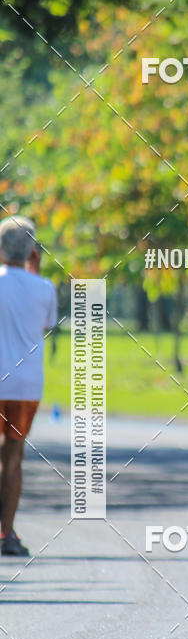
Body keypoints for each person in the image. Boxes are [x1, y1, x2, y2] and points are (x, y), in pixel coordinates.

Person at [0, 215, 58, 557]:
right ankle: (6, 533)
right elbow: (47, 322)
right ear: (33, 251)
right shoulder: (45, 287)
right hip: (25, 385)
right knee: (13, 457)